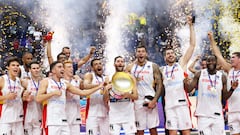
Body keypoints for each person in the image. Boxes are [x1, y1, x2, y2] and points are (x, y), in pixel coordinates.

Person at [36, 61, 104, 135]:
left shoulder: (65, 83)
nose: (62, 69)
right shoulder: (46, 81)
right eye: (59, 67)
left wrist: (99, 87)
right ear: (53, 71)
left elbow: (83, 93)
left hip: (63, 120)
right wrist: (52, 93)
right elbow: (38, 98)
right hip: (51, 121)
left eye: (62, 67)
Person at [185, 55, 238, 134]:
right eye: (209, 61)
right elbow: (189, 89)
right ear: (206, 63)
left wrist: (232, 89)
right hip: (203, 115)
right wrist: (185, 82)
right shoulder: (199, 74)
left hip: (217, 114)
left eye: (213, 61)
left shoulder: (222, 77)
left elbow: (224, 97)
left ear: (216, 62)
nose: (211, 62)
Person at [161, 16, 196, 135]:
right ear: (164, 58)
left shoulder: (181, 64)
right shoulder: (161, 70)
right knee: (172, 133)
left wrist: (191, 26)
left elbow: (192, 45)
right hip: (169, 107)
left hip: (182, 105)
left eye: (172, 53)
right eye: (168, 54)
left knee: (186, 133)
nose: (170, 55)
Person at [125, 45, 163, 135]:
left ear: (146, 54)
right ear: (136, 54)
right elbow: (123, 77)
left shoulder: (153, 66)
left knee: (153, 129)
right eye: (138, 51)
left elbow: (160, 85)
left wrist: (154, 100)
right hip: (137, 101)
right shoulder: (131, 67)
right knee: (139, 130)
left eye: (143, 51)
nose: (141, 53)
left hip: (150, 98)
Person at [208, 31, 240, 135]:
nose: (231, 59)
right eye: (231, 57)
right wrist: (212, 39)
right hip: (232, 110)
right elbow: (218, 54)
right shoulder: (229, 69)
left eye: (233, 57)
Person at [103, 56, 138, 135]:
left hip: (128, 115)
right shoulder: (109, 78)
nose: (120, 63)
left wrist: (128, 95)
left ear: (124, 64)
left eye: (122, 62)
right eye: (118, 61)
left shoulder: (130, 77)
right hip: (114, 115)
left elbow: (136, 96)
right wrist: (106, 90)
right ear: (114, 64)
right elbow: (105, 100)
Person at [83, 58, 109, 135]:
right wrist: (99, 85)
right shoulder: (90, 75)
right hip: (92, 113)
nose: (98, 65)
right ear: (92, 67)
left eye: (100, 64)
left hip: (105, 112)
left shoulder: (106, 78)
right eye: (96, 64)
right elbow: (85, 85)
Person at [0, 57, 24, 135]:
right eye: (13, 65)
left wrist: (26, 96)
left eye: (17, 65)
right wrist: (6, 97)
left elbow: (22, 97)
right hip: (5, 118)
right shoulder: (2, 79)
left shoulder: (19, 80)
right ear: (8, 67)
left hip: (18, 118)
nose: (16, 67)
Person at [21, 61, 42, 135]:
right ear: (30, 70)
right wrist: (24, 96)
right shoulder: (25, 82)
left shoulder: (44, 82)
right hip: (28, 114)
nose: (36, 70)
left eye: (37, 68)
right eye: (34, 68)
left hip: (39, 114)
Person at [63, 60, 83, 135]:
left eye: (72, 67)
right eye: (69, 67)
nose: (71, 69)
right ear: (63, 69)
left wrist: (80, 82)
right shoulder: (61, 82)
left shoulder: (77, 80)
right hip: (64, 115)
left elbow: (83, 93)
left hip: (76, 115)